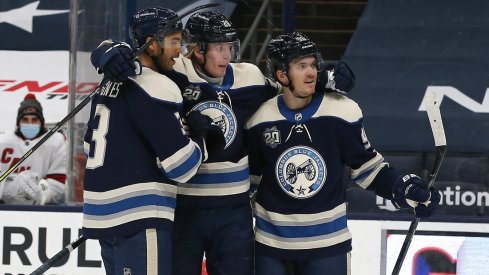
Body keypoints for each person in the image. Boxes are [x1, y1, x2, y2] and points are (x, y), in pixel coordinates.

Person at [91, 10, 356, 275]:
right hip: (184, 208)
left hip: (233, 212)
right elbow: (137, 60)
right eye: (219, 48)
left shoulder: (249, 77)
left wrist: (326, 79)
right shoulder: (172, 71)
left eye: (230, 46)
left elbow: (289, 89)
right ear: (197, 49)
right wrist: (111, 50)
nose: (228, 55)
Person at [243, 32, 441, 275]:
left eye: (313, 65)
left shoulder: (342, 112)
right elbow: (249, 182)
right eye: (301, 66)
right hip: (270, 249)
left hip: (328, 248)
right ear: (282, 75)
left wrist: (405, 189)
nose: (311, 72)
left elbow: (369, 170)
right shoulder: (259, 120)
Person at [82, 7, 225, 275]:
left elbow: (87, 145)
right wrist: (202, 140)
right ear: (151, 43)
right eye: (173, 42)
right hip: (139, 214)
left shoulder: (108, 82)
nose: (179, 50)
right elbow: (180, 167)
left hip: (102, 214)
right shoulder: (157, 85)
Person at [0, 93, 66, 205]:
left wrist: (42, 195)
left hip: (42, 211)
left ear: (41, 122)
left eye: (34, 120)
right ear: (18, 123)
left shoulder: (56, 142)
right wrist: (6, 189)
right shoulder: (3, 141)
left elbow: (59, 183)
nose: (30, 123)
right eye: (25, 119)